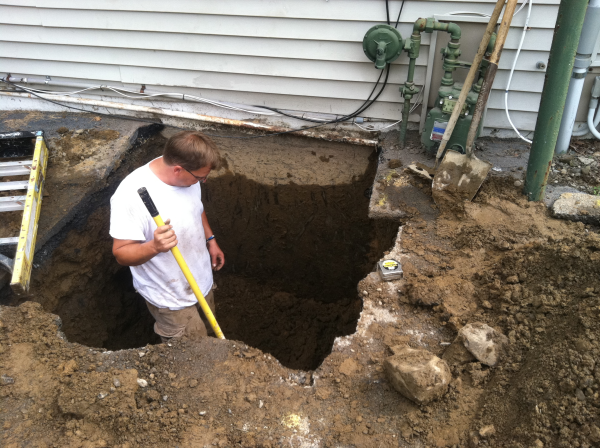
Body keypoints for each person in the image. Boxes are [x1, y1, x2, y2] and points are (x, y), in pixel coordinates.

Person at [109, 130, 225, 342]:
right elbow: (121, 254)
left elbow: (196, 208)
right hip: (171, 297)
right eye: (201, 177)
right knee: (192, 356)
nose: (204, 181)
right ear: (178, 169)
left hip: (201, 280)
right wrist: (154, 246)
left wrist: (211, 239)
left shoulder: (189, 176)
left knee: (212, 340)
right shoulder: (129, 197)